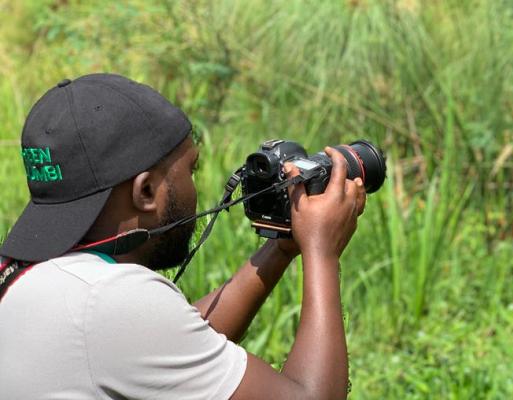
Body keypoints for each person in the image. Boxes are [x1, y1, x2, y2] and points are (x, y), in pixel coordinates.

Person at [0, 73, 365, 399]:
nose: (195, 185)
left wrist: (281, 249)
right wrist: (321, 252)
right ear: (146, 191)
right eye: (192, 168)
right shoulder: (108, 301)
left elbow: (172, 342)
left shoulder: (36, 273)